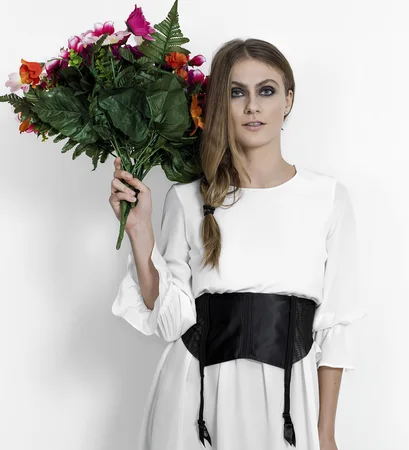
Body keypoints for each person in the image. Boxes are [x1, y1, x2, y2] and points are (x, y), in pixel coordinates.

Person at [109, 37, 368, 450]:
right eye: (236, 92)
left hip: (287, 407)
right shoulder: (187, 199)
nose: (252, 106)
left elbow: (334, 327)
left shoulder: (328, 199)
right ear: (219, 105)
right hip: (194, 405)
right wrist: (141, 233)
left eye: (266, 90)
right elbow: (172, 321)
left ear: (288, 101)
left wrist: (325, 433)